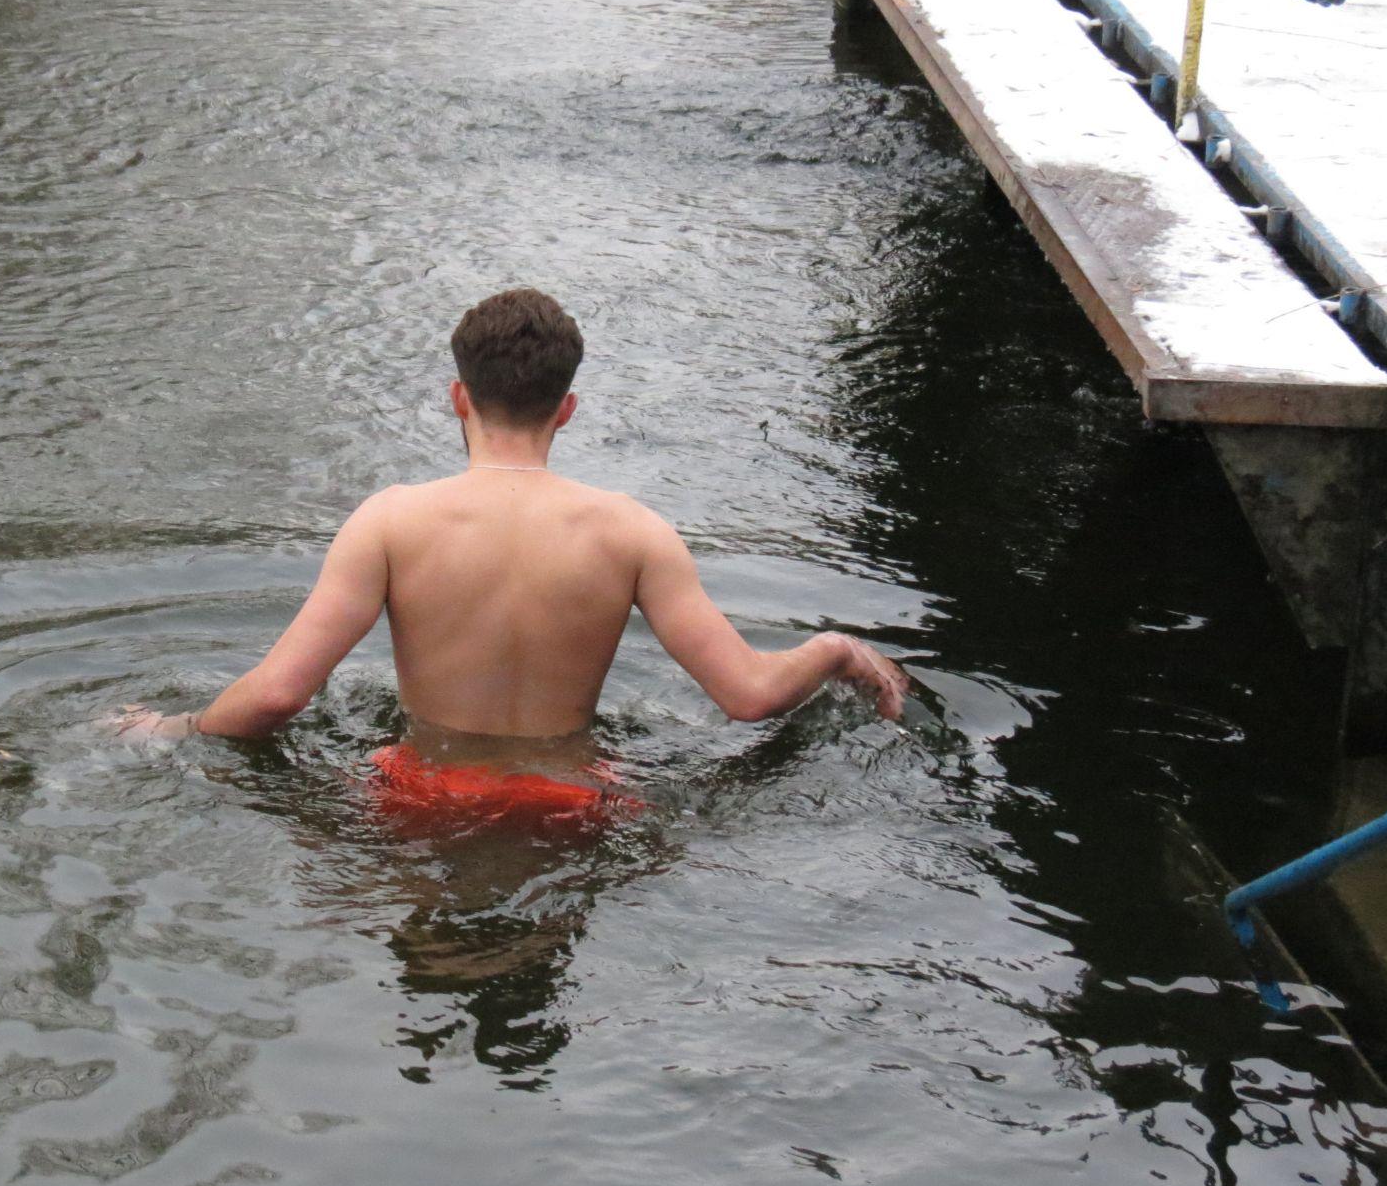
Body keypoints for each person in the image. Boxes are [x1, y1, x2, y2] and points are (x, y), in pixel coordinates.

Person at [118, 288, 907, 815]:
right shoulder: (633, 532)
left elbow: (276, 698)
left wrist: (176, 727)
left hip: (418, 800)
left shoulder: (390, 522)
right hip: (576, 805)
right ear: (567, 409)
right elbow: (750, 696)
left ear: (458, 396)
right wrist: (833, 648)